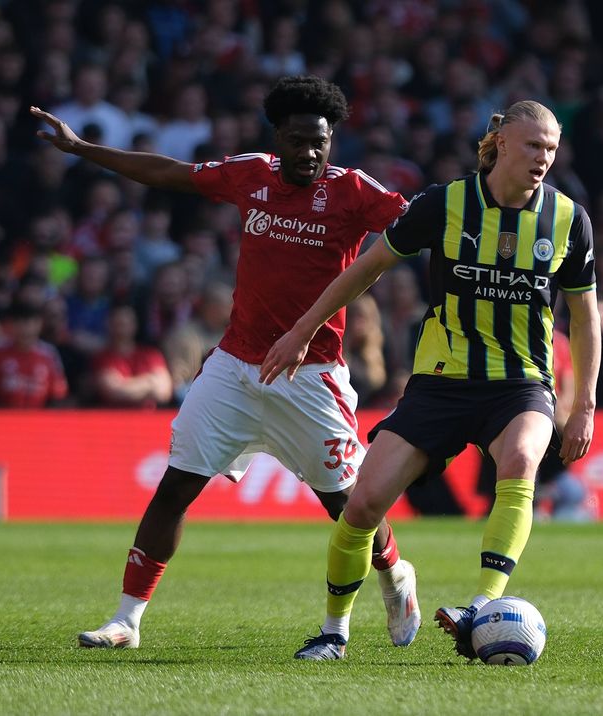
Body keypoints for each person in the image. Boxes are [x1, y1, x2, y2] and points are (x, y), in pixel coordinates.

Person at [29, 75, 420, 650]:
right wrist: (84, 149)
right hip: (234, 367)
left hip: (310, 376)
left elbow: (420, 223)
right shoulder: (252, 174)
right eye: (297, 141)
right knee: (176, 486)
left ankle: (395, 574)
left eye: (320, 142)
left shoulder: (355, 191)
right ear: (277, 138)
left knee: (347, 506)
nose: (309, 153)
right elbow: (170, 173)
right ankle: (127, 620)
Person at [261, 100, 601, 661]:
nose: (544, 158)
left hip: (520, 382)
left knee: (520, 460)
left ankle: (483, 604)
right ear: (502, 144)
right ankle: (333, 632)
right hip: (440, 382)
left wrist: (584, 404)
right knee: (362, 507)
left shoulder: (569, 219)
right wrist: (303, 329)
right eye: (533, 145)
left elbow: (585, 318)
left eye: (551, 148)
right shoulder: (445, 204)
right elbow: (367, 268)